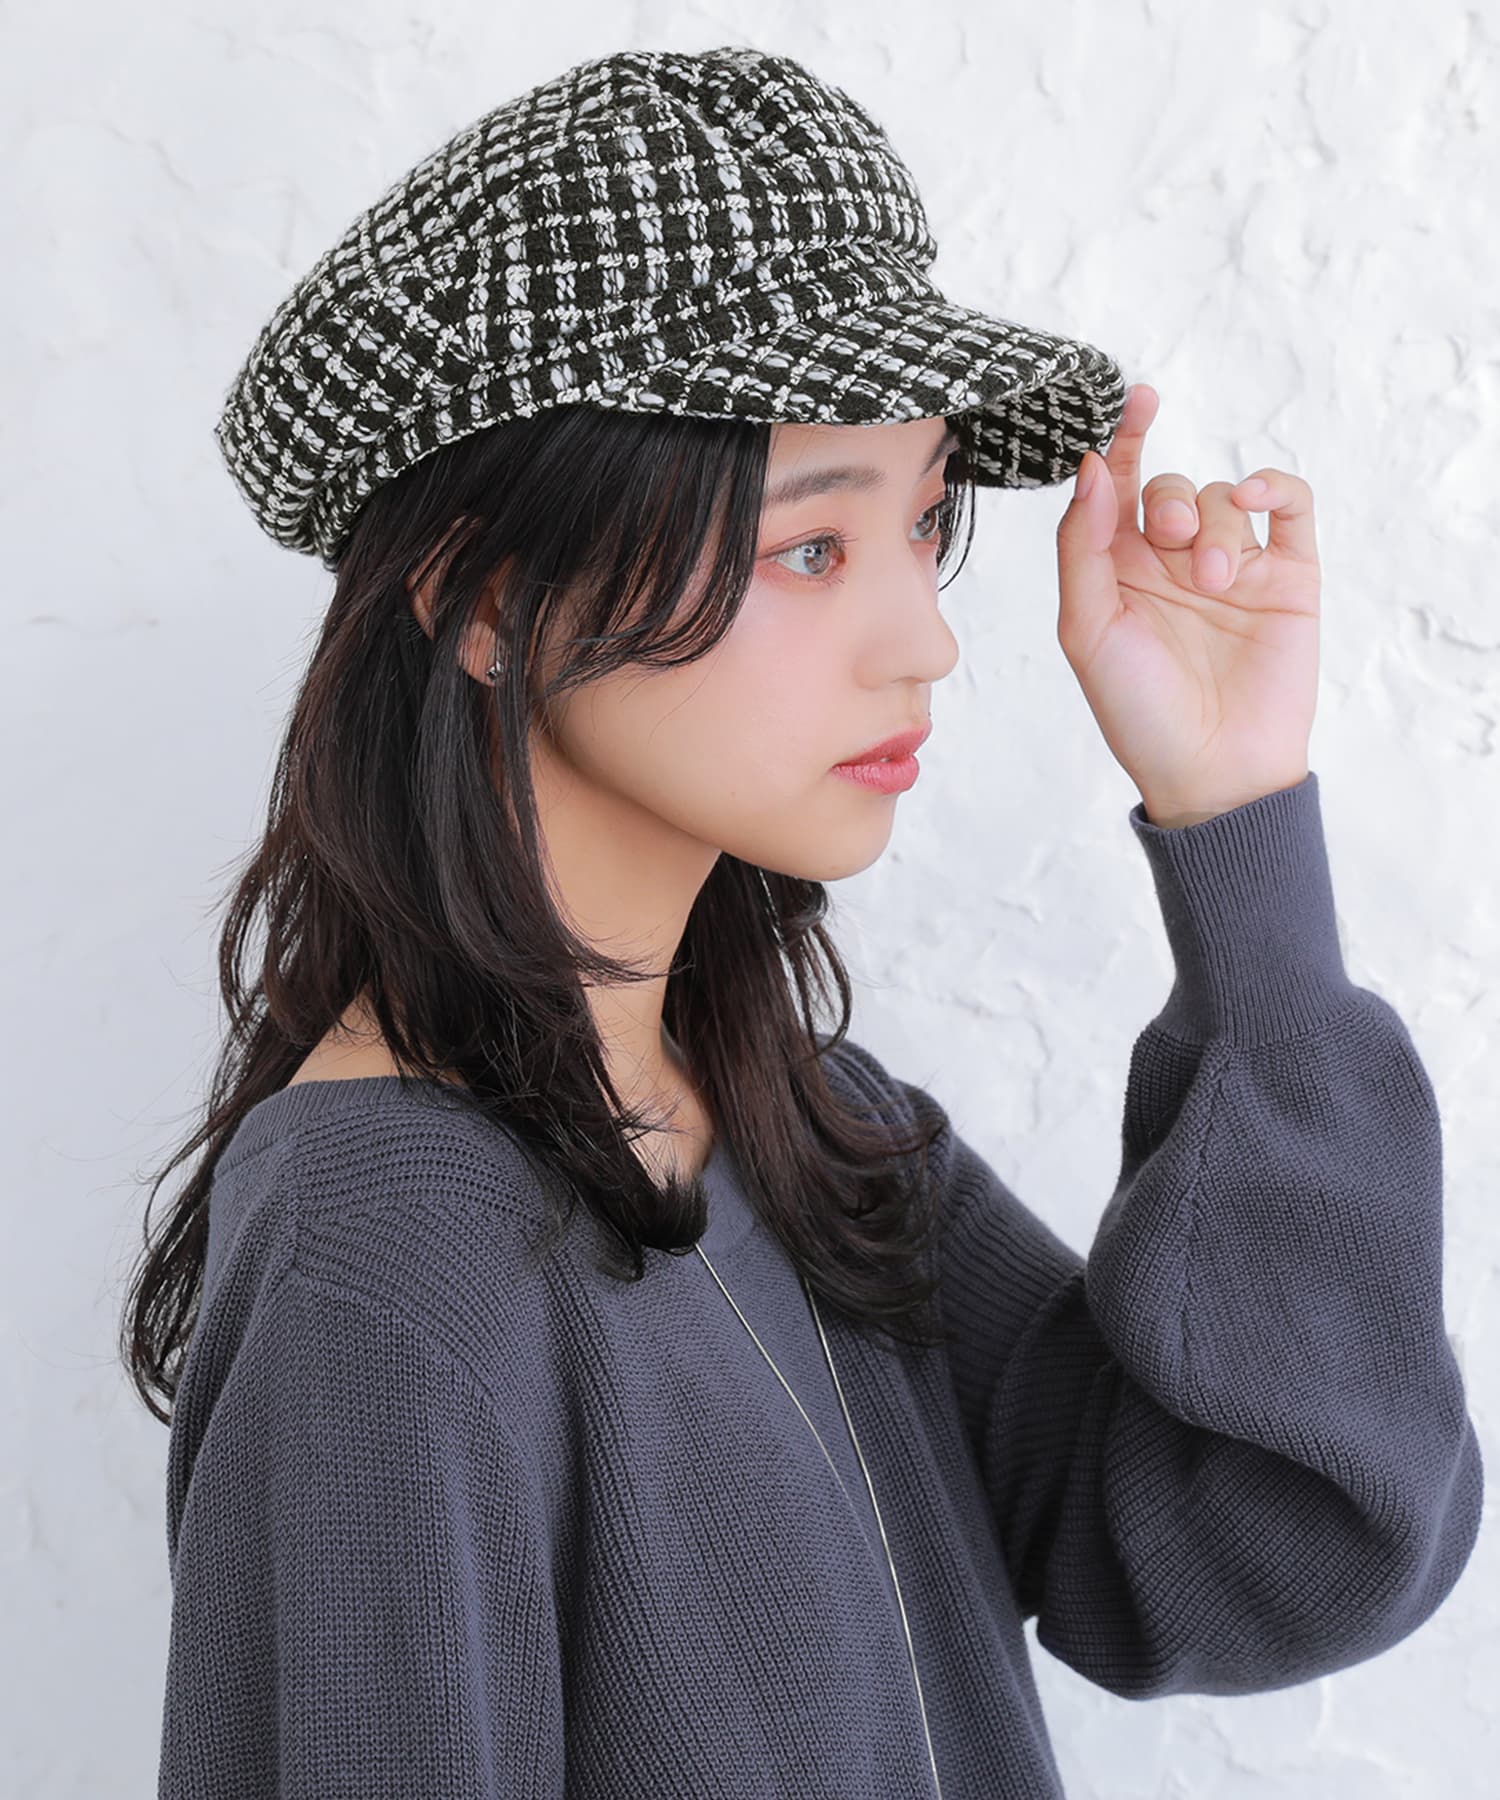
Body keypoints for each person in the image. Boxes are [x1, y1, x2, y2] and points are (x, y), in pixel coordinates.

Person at [130, 44, 1482, 1800]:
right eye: (812, 548)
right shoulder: (386, 1263)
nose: (928, 638)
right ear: (485, 596)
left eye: (924, 523)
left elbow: (1285, 1551)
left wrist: (1240, 838)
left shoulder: (814, 1131)